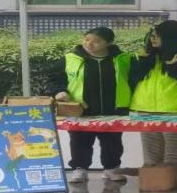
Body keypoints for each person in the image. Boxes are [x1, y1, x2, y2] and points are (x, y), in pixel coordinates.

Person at [52, 27, 132, 184]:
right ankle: (79, 169)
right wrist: (59, 91)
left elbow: (133, 79)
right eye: (87, 39)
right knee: (79, 140)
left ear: (109, 43)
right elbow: (55, 78)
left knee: (112, 142)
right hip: (80, 110)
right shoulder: (70, 58)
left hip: (113, 109)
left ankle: (111, 169)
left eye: (97, 41)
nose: (89, 44)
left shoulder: (123, 59)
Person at [129, 20, 177, 177]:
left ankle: (173, 178)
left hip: (175, 109)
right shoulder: (146, 55)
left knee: (175, 151)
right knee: (151, 151)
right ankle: (151, 179)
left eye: (157, 36)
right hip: (144, 108)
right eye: (151, 35)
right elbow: (133, 79)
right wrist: (142, 62)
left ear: (169, 37)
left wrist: (173, 68)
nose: (152, 39)